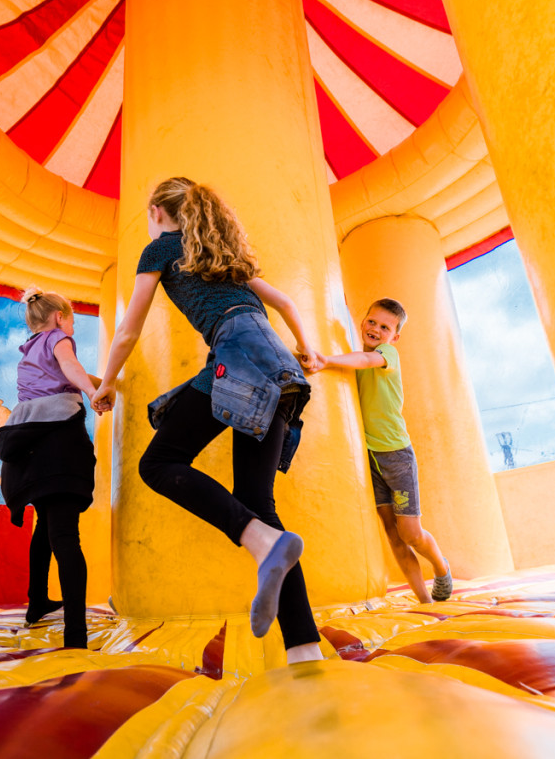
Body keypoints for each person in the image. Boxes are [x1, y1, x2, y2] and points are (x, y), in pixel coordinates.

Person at [89, 177, 325, 664]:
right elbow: (285, 302)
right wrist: (309, 349)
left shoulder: (160, 249)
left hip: (238, 356)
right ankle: (305, 651)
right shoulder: (225, 258)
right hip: (280, 365)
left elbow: (129, 329)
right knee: (257, 501)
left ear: (156, 211)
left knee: (159, 463)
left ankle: (261, 541)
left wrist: (106, 382)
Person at [310, 298, 453, 603]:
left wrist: (326, 360)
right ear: (363, 322)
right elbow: (358, 356)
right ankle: (425, 601)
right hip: (369, 459)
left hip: (396, 455)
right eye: (372, 321)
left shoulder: (387, 354)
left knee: (410, 533)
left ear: (394, 337)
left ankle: (441, 567)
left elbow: (366, 361)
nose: (375, 329)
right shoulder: (357, 355)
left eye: (385, 327)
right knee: (392, 533)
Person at [0, 287, 101, 649]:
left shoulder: (29, 348)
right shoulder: (59, 338)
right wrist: (94, 393)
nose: (73, 329)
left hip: (29, 453)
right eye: (72, 321)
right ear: (59, 317)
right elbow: (70, 368)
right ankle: (76, 635)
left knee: (45, 528)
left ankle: (36, 601)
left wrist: (101, 381)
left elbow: (65, 375)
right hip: (58, 449)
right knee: (66, 536)